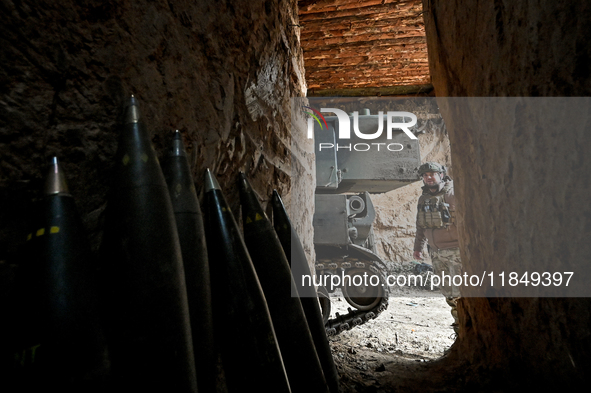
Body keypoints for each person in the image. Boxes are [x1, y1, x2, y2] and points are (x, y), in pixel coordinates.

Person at [412, 162, 462, 335]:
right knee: (449, 294)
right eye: (425, 175)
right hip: (437, 253)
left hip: (456, 252)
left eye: (432, 174)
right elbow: (421, 225)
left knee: (460, 293)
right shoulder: (423, 199)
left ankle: (464, 328)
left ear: (441, 175)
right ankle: (459, 328)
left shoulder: (453, 193)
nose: (429, 177)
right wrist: (418, 248)